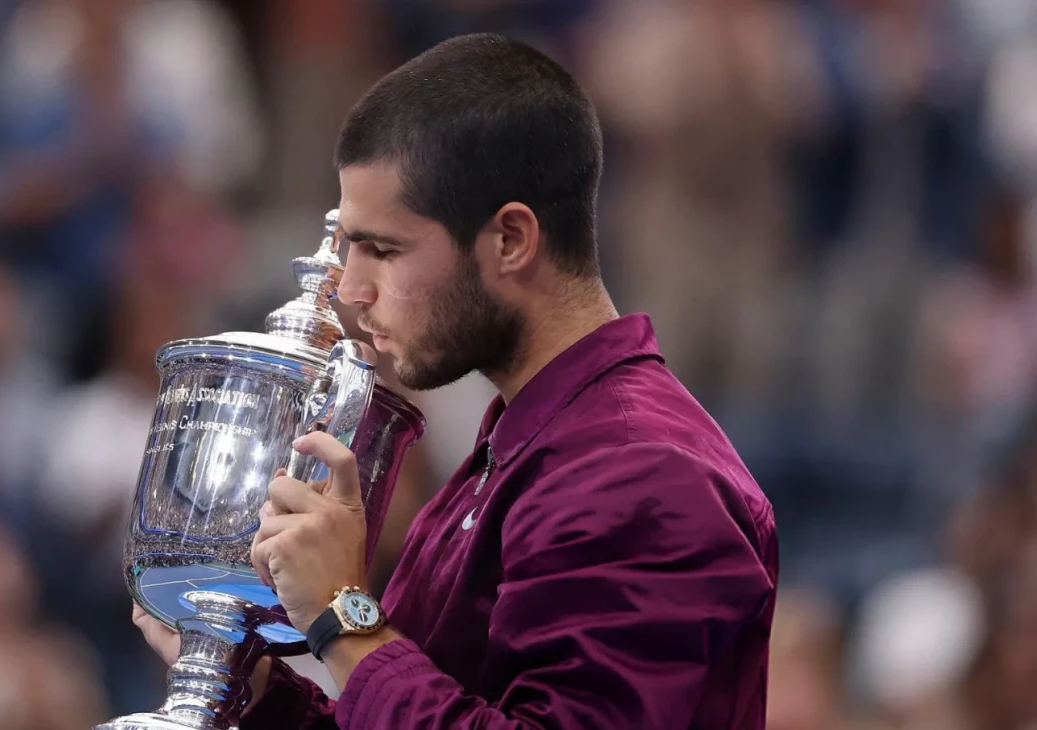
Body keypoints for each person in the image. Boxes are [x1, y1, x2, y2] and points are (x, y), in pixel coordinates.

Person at [135, 32, 778, 729]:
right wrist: (261, 694)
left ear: (510, 240)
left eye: (384, 250)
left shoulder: (641, 474)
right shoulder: (521, 445)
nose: (351, 290)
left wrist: (344, 619)